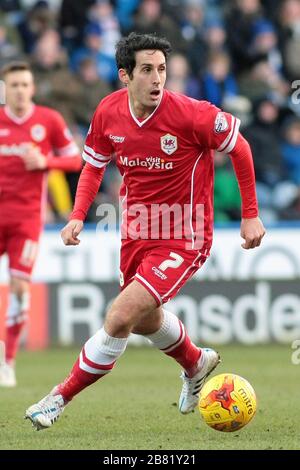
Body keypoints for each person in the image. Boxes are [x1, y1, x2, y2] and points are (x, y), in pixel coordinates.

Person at [25, 33, 265, 430]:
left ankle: (57, 398)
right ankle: (195, 362)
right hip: (135, 232)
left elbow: (239, 147)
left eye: (163, 70)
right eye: (148, 70)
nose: (157, 79)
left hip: (184, 236)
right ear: (125, 75)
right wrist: (77, 215)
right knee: (145, 318)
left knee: (119, 316)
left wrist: (250, 214)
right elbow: (94, 165)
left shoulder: (191, 114)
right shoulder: (107, 112)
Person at [0, 62, 82, 387]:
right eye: (14, 85)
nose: (19, 90)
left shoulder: (48, 120)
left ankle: (7, 361)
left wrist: (46, 162)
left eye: (24, 84)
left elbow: (75, 159)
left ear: (32, 88)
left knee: (20, 287)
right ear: (4, 88)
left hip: (26, 219)